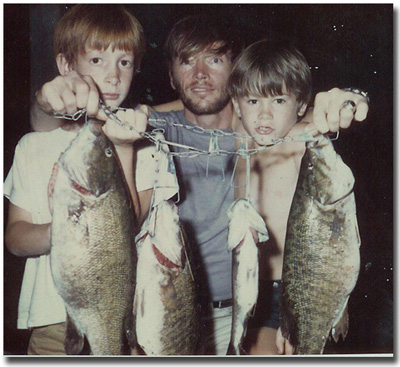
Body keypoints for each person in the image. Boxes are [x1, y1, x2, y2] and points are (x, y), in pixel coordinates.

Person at [30, 13, 369, 355]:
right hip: (169, 307)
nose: (201, 75)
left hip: (245, 311)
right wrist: (47, 101)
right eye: (187, 62)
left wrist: (350, 99)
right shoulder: (147, 127)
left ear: (236, 71)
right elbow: (50, 126)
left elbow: (314, 119)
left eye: (215, 59)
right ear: (172, 77)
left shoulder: (259, 125)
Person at [3, 4, 177, 355]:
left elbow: (131, 224)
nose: (113, 76)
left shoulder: (147, 145)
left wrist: (125, 149)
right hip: (51, 323)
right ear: (66, 65)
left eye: (124, 62)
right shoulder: (33, 145)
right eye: (97, 60)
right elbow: (15, 239)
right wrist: (64, 233)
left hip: (123, 317)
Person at [227, 39, 369, 355]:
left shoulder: (299, 141)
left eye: (278, 100)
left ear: (300, 106)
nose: (264, 114)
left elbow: (337, 119)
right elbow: (181, 110)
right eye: (252, 101)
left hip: (296, 291)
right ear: (236, 105)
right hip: (248, 290)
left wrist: (349, 101)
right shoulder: (236, 137)